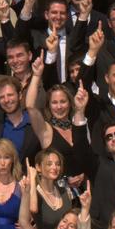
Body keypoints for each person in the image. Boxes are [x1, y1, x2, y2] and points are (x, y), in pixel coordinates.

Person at [25, 58, 93, 187]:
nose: (59, 106)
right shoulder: (45, 129)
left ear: (70, 103)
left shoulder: (80, 124)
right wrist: (36, 75)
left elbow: (88, 157)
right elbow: (30, 106)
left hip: (85, 190)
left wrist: (83, 174)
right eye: (54, 103)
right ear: (49, 106)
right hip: (58, 194)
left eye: (63, 101)